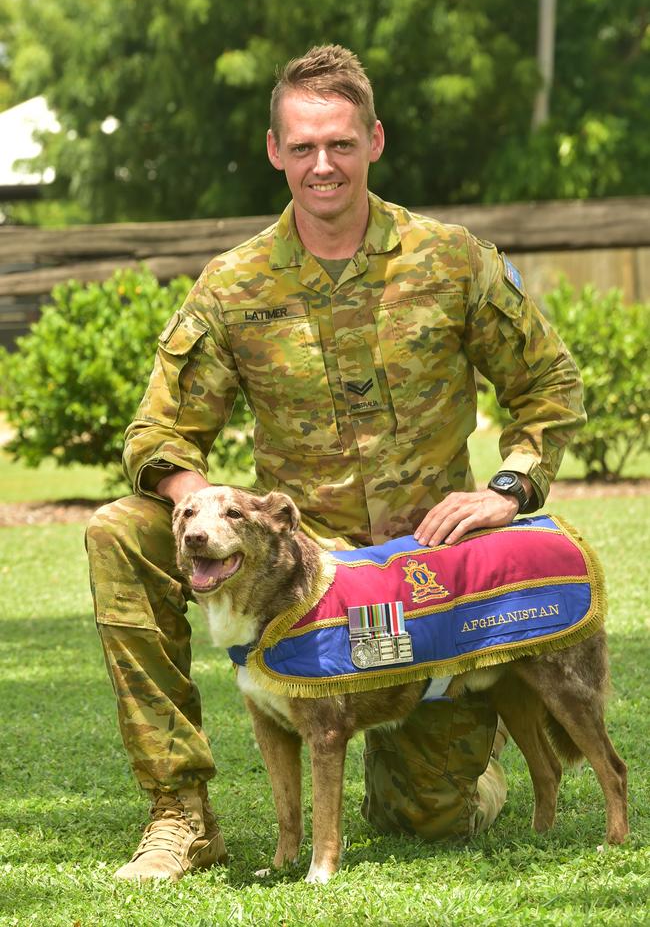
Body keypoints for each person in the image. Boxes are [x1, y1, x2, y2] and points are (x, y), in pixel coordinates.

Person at [86, 44, 585, 882]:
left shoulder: (451, 259)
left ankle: (469, 735)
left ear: (375, 141)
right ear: (276, 150)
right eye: (305, 145)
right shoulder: (234, 283)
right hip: (298, 568)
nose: (324, 164)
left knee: (428, 819)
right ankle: (181, 813)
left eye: (342, 143)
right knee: (119, 532)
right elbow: (158, 431)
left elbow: (549, 383)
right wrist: (196, 496)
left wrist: (509, 488)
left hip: (421, 580)